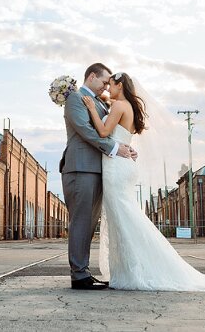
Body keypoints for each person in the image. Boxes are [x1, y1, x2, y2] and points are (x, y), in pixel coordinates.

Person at [82, 72, 205, 292]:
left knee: (124, 219)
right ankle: (130, 269)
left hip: (116, 167)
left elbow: (104, 131)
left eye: (110, 85)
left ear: (120, 85)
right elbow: (113, 114)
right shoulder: (128, 107)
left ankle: (135, 270)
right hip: (124, 166)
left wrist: (90, 108)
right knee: (124, 219)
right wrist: (103, 101)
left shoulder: (119, 106)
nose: (107, 89)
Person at [60, 63, 137, 290]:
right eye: (103, 81)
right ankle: (79, 275)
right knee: (81, 221)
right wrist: (116, 148)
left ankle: (83, 271)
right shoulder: (75, 99)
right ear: (91, 76)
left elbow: (111, 131)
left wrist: (126, 148)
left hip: (98, 169)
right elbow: (87, 132)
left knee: (89, 223)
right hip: (80, 167)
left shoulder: (100, 102)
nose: (106, 86)